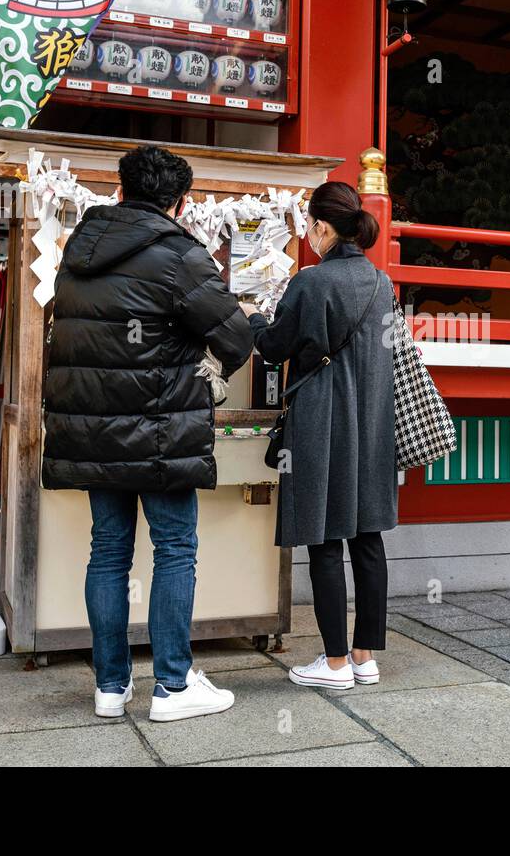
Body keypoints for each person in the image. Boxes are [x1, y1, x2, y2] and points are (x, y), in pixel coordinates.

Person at [42, 144, 253, 722]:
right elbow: (235, 337)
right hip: (161, 429)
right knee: (174, 550)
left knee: (107, 552)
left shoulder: (77, 252)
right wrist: (203, 367)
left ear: (120, 190)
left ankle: (110, 687)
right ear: (179, 202)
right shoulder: (179, 255)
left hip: (91, 428)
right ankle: (172, 687)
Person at [240, 181, 398, 690]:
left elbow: (274, 346)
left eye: (309, 224)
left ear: (323, 228)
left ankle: (332, 664)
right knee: (367, 538)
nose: (307, 233)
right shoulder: (381, 283)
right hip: (371, 422)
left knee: (327, 538)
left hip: (321, 419)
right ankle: (363, 656)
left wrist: (254, 318)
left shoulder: (311, 283)